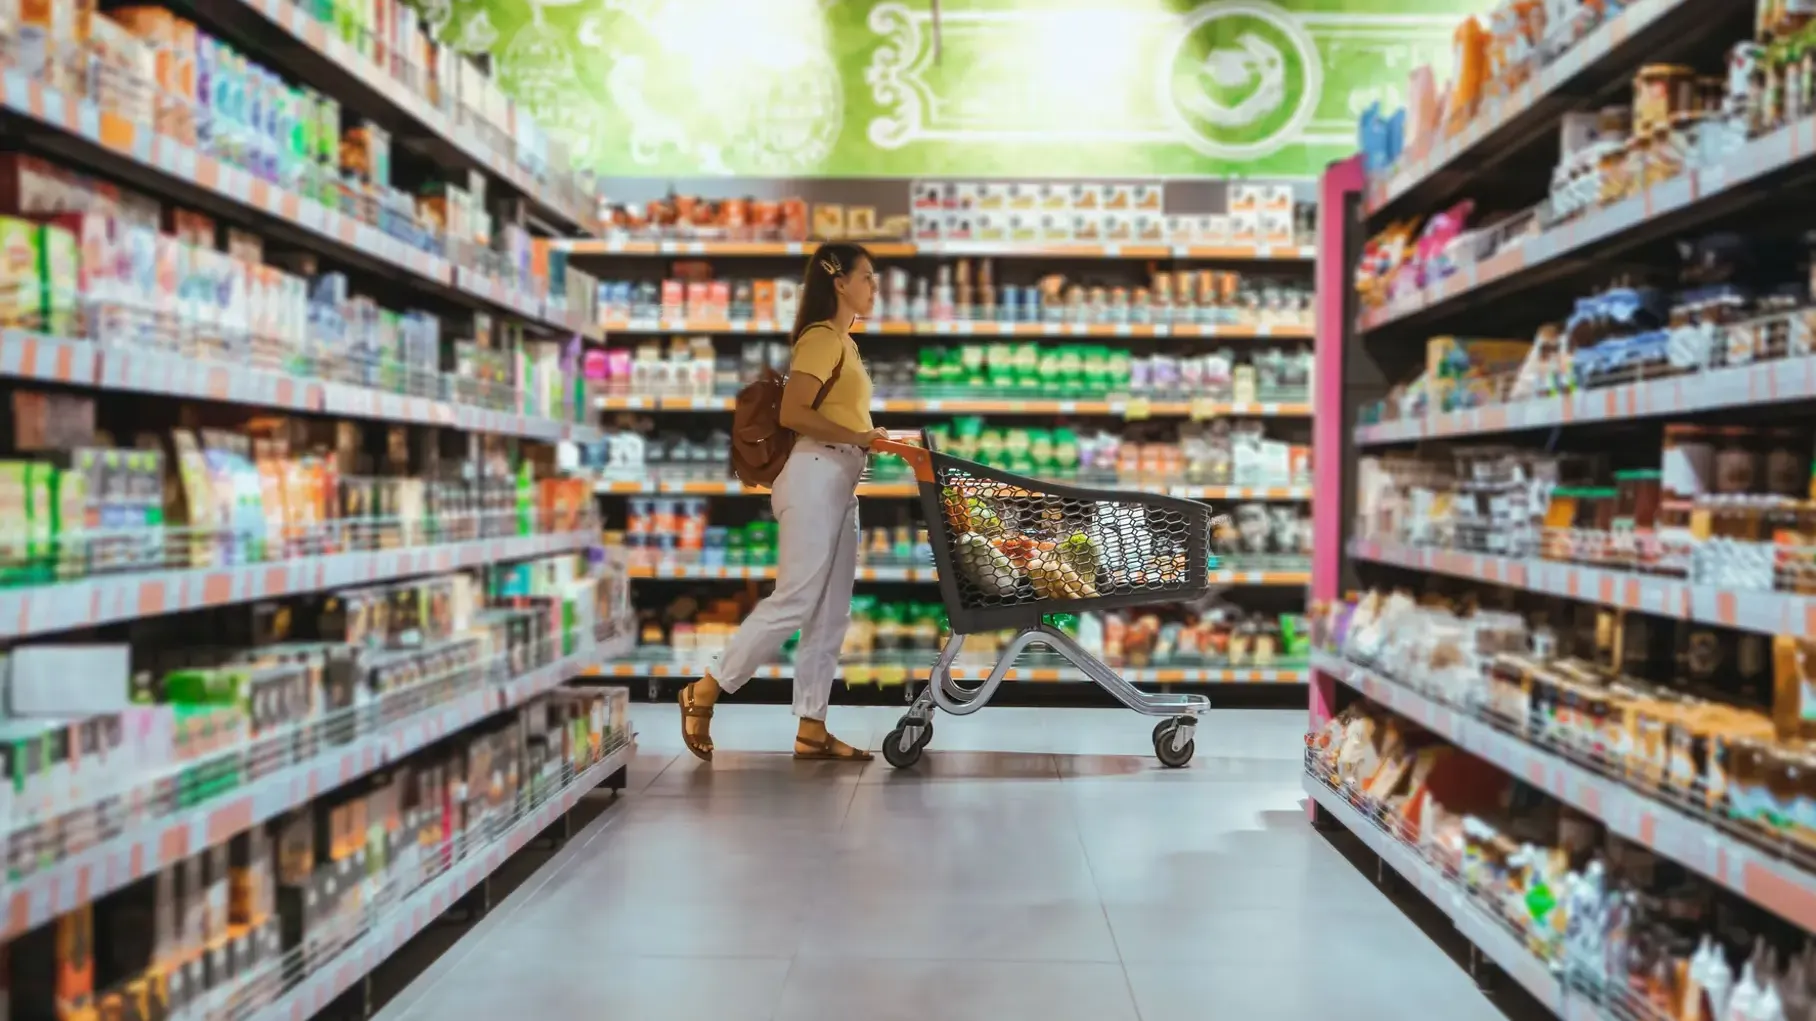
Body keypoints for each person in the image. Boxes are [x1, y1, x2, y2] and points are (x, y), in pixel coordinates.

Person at [678, 242, 886, 762]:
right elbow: (794, 412)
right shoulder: (820, 338)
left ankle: (812, 727)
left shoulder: (847, 342)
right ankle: (705, 689)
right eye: (867, 277)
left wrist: (867, 437)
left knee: (831, 613)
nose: (874, 286)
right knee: (795, 599)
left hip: (839, 479)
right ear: (839, 283)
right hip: (815, 475)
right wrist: (857, 436)